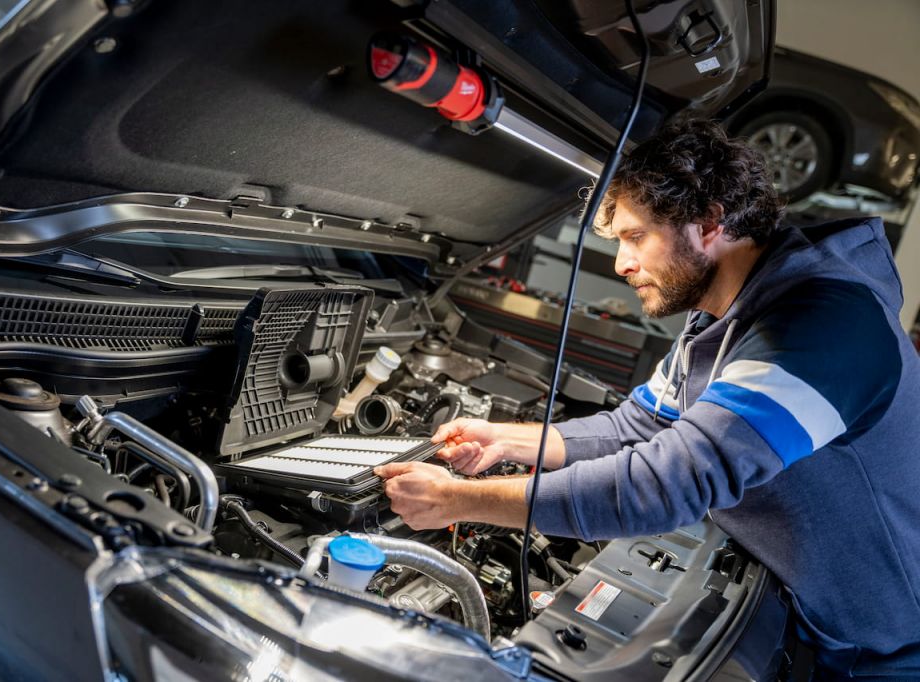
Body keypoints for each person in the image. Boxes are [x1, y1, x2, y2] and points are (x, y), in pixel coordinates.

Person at [374, 119, 920, 678]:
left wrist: (460, 500)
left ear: (709, 222)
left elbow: (668, 482)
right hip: (805, 617)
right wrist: (508, 440)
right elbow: (638, 427)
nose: (621, 263)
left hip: (882, 653)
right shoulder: (719, 318)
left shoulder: (822, 327)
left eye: (636, 238)